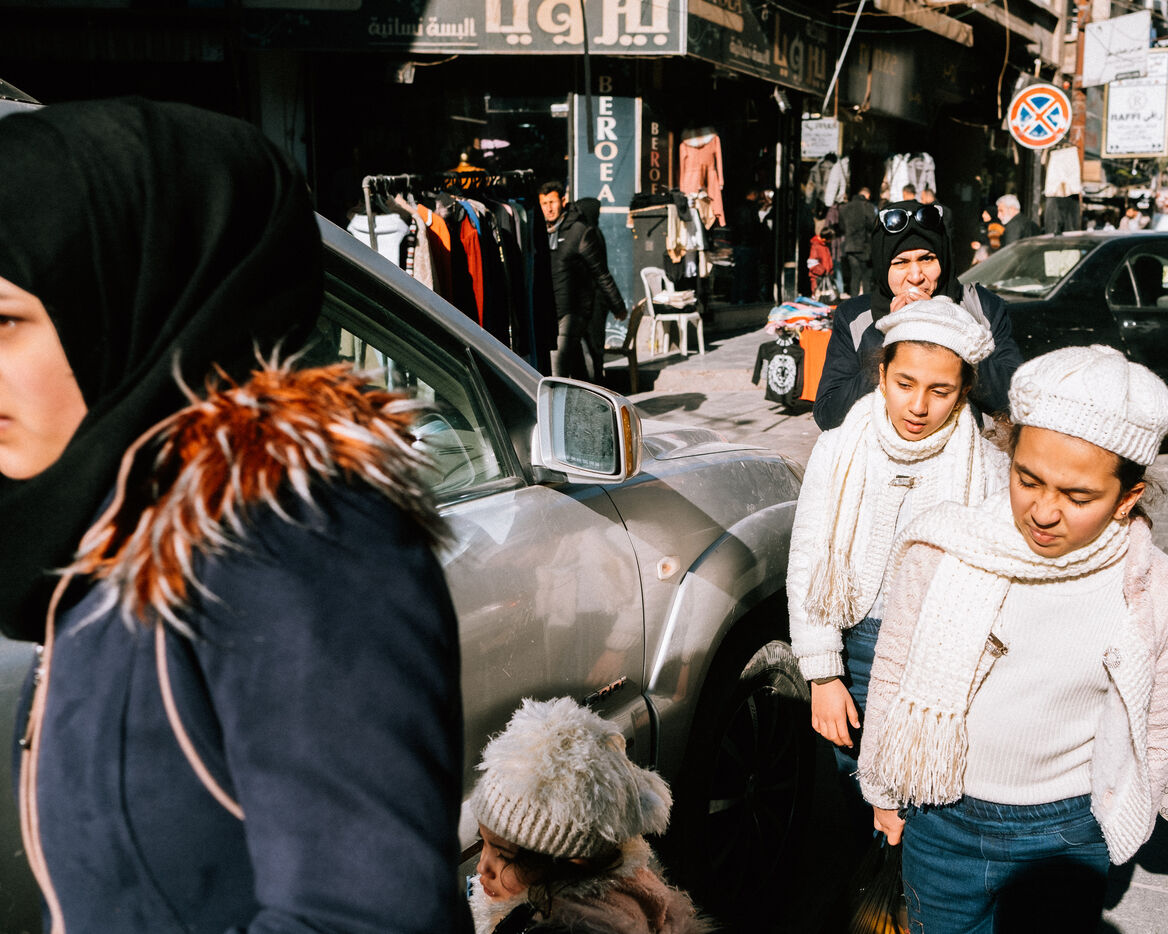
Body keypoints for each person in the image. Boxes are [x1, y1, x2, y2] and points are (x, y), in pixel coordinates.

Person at [0, 98, 469, 932]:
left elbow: (361, 918)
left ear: (129, 294)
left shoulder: (285, 532)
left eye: (5, 321)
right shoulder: (105, 522)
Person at [859, 344, 1168, 933]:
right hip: (941, 821)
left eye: (1078, 497)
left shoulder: (1149, 587)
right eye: (1028, 479)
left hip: (1066, 834)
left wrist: (1148, 798)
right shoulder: (943, 549)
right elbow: (893, 670)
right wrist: (881, 788)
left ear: (1126, 499)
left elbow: (1157, 714)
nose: (1044, 512)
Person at [788, 297, 1004, 791]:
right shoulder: (839, 447)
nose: (919, 406)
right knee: (851, 790)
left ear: (964, 390)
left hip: (940, 656)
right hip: (852, 650)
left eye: (940, 390)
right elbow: (808, 559)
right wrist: (823, 675)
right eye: (905, 384)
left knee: (919, 796)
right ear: (882, 375)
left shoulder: (988, 468)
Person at [468, 697, 712, 934]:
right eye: (483, 843)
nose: (482, 867)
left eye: (503, 854)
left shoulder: (567, 925)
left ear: (574, 860)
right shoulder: (628, 888)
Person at [813, 200, 1023, 431]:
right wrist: (894, 340)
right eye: (901, 263)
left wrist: (945, 330)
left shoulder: (981, 306)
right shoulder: (854, 317)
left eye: (927, 259)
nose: (915, 276)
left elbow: (1016, 401)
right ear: (883, 266)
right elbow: (828, 415)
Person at [539, 181, 626, 379]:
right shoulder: (539, 231)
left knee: (558, 369)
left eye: (552, 202)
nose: (548, 208)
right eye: (544, 204)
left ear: (563, 201)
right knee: (576, 366)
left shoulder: (579, 231)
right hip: (548, 310)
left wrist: (617, 306)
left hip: (571, 310)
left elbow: (600, 272)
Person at [839, 186, 878, 297]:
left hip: (850, 247)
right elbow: (873, 225)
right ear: (867, 196)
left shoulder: (844, 208)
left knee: (855, 276)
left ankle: (853, 302)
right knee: (866, 278)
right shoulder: (868, 206)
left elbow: (842, 227)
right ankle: (866, 303)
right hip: (865, 247)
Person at [807, 225, 835, 298]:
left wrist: (830, 272)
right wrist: (822, 271)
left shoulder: (824, 245)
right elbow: (811, 263)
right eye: (831, 239)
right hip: (818, 278)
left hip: (825, 276)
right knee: (818, 298)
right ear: (826, 238)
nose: (831, 241)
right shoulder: (816, 245)